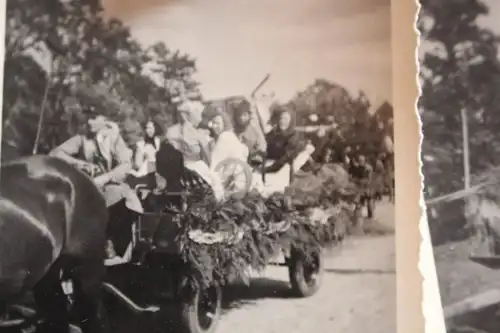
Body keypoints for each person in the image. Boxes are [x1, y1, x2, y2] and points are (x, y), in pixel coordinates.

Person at [49, 105, 143, 264]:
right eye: (87, 118)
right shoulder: (82, 138)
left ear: (103, 119)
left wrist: (105, 177)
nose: (89, 121)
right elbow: (55, 153)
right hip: (87, 188)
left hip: (111, 186)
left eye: (93, 118)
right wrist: (80, 164)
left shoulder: (113, 138)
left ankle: (114, 247)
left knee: (122, 200)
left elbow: (126, 165)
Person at [232, 99, 267, 164]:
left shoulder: (253, 127)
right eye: (239, 115)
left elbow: (262, 145)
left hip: (253, 160)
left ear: (249, 115)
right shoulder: (233, 130)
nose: (242, 118)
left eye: (244, 115)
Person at [349, 154, 375, 218]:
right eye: (359, 160)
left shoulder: (367, 168)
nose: (360, 162)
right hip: (364, 187)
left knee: (368, 200)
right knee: (364, 201)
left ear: (364, 161)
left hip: (366, 187)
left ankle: (370, 215)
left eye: (361, 160)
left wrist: (355, 180)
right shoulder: (362, 167)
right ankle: (367, 215)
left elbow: (366, 179)